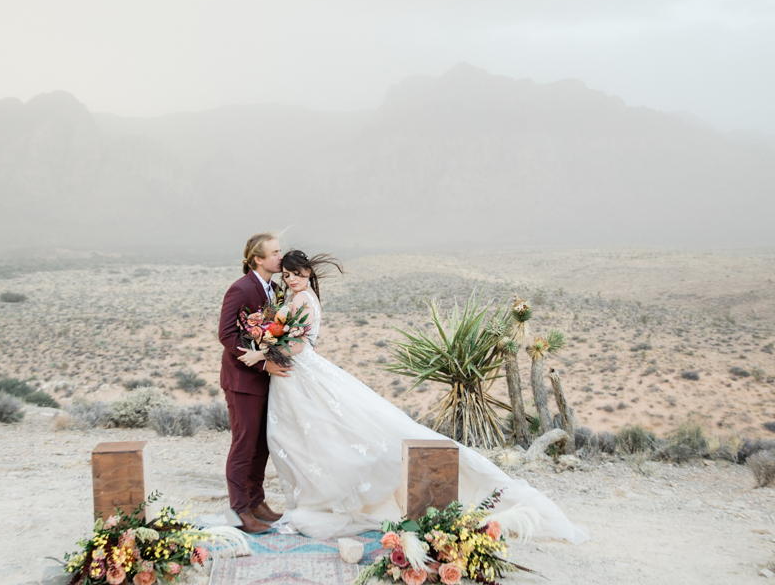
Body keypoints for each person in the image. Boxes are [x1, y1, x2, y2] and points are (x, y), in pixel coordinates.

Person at [238, 248, 589, 544]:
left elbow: (297, 344)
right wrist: (268, 339)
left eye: (296, 273)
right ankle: (320, 496)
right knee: (300, 437)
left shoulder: (302, 299)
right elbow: (287, 337)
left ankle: (334, 498)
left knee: (316, 435)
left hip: (299, 373)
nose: (291, 279)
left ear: (308, 272)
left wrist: (262, 353)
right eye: (285, 275)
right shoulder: (297, 297)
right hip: (294, 377)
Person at [217, 232, 292, 533]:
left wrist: (271, 355)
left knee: (261, 444)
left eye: (279, 251)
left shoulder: (274, 289)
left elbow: (271, 332)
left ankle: (256, 501)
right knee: (243, 445)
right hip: (242, 380)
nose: (280, 257)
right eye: (274, 253)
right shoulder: (240, 288)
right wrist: (257, 358)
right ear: (257, 259)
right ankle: (239, 510)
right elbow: (226, 334)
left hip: (264, 378)